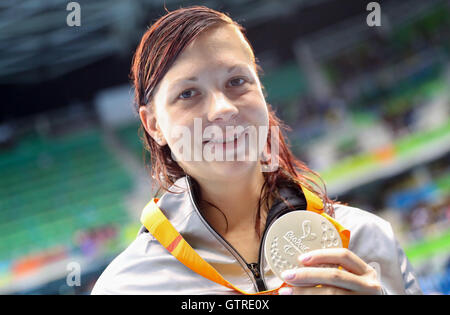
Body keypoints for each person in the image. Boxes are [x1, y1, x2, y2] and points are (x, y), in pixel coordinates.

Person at [91, 6, 422, 295]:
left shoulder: (366, 238)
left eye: (236, 81)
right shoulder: (125, 287)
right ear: (153, 125)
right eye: (189, 93)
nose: (222, 109)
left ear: (261, 91)